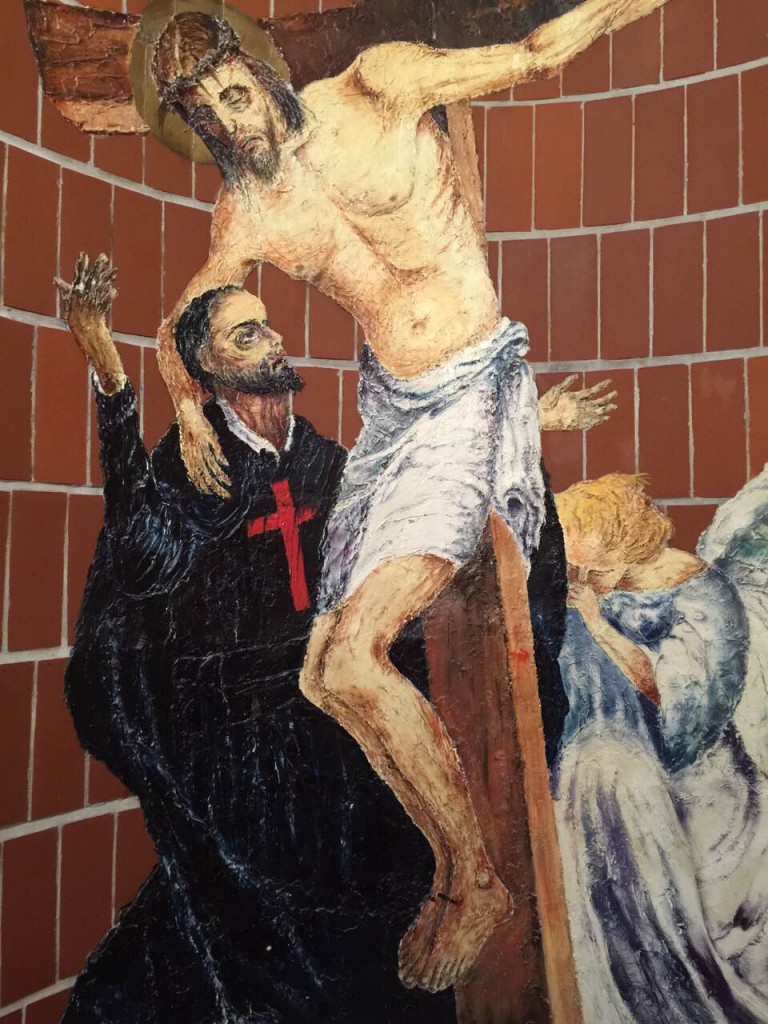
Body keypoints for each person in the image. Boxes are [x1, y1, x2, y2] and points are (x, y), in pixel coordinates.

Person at [148, 0, 643, 988]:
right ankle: (459, 863)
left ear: (260, 72)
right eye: (205, 117)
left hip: (466, 391)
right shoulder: (246, 209)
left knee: (354, 654)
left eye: (234, 96)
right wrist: (189, 410)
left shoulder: (377, 86)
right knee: (324, 674)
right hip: (394, 415)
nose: (230, 125)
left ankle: (473, 878)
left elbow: (536, 52)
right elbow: (181, 321)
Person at [57, 254, 610, 1022]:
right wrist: (112, 376)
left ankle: (459, 888)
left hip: (329, 726)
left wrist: (527, 421)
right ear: (210, 372)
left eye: (267, 326)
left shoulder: (320, 459)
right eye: (247, 336)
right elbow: (143, 554)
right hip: (250, 744)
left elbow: (410, 499)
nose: (274, 340)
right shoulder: (195, 465)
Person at [554, 472, 768, 1024]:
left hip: (697, 785)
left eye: (593, 571)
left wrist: (597, 625)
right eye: (575, 571)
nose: (582, 582)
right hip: (619, 774)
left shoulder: (703, 600)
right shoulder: (599, 587)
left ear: (629, 547)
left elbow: (673, 701)